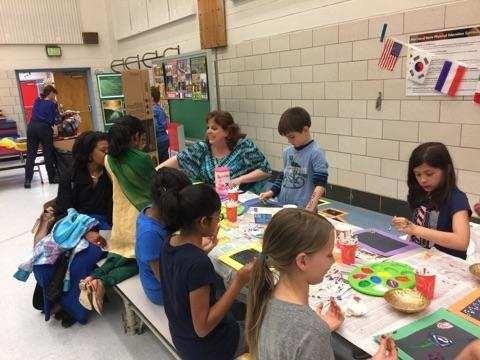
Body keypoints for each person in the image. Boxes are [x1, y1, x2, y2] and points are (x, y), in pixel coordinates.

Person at [246, 208, 397, 360]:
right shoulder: (311, 330)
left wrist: (318, 328)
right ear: (303, 261)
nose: (332, 261)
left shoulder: (265, 296)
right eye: (329, 254)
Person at [160, 184, 253, 359]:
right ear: (203, 222)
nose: (219, 222)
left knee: (236, 309)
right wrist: (238, 282)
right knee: (262, 331)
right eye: (218, 217)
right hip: (206, 348)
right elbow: (202, 328)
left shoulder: (169, 242)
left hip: (181, 336)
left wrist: (206, 250)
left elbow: (183, 272)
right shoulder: (198, 263)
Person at [79, 116, 155, 313]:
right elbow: (154, 189)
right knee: (138, 262)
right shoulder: (143, 160)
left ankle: (91, 278)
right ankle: (103, 283)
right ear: (136, 137)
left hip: (120, 220)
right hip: (140, 220)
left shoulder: (110, 160)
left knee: (118, 255)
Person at [158, 110, 271, 194]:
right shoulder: (201, 148)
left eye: (214, 128)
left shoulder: (243, 147)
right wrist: (154, 174)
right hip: (210, 202)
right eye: (208, 127)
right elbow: (177, 160)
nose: (209, 131)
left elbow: (265, 170)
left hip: (238, 201)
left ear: (227, 132)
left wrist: (239, 180)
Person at [392, 142, 471, 259]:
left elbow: (461, 242)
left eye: (429, 174)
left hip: (445, 263)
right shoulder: (421, 193)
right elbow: (416, 231)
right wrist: (409, 231)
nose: (423, 180)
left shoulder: (456, 198)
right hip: (419, 257)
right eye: (418, 174)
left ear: (446, 170)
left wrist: (415, 229)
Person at [135, 167, 191, 305]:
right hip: (161, 290)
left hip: (171, 268)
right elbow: (163, 278)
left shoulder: (153, 210)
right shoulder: (149, 233)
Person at [259, 107, 328, 210]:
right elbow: (283, 177)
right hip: (283, 205)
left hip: (303, 209)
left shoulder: (316, 153)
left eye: (292, 137)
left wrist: (312, 204)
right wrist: (272, 192)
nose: (289, 141)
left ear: (305, 130)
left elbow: (320, 184)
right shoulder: (287, 152)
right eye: (286, 137)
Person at [54, 131, 112, 229]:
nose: (107, 154)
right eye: (103, 150)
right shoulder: (71, 176)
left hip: (106, 225)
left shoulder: (111, 174)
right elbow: (63, 210)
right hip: (76, 226)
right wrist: (85, 232)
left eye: (109, 150)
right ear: (89, 153)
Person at [24, 85, 61, 188]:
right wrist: (57, 108)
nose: (54, 97)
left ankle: (27, 180)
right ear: (51, 93)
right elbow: (54, 121)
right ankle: (52, 178)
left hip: (31, 127)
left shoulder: (37, 100)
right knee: (47, 154)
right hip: (44, 128)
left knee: (31, 154)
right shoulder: (51, 104)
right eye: (54, 95)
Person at [151, 86, 170, 163]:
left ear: (152, 98)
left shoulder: (153, 110)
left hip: (158, 140)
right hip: (165, 139)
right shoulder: (160, 109)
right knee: (165, 161)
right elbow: (165, 125)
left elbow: (154, 127)